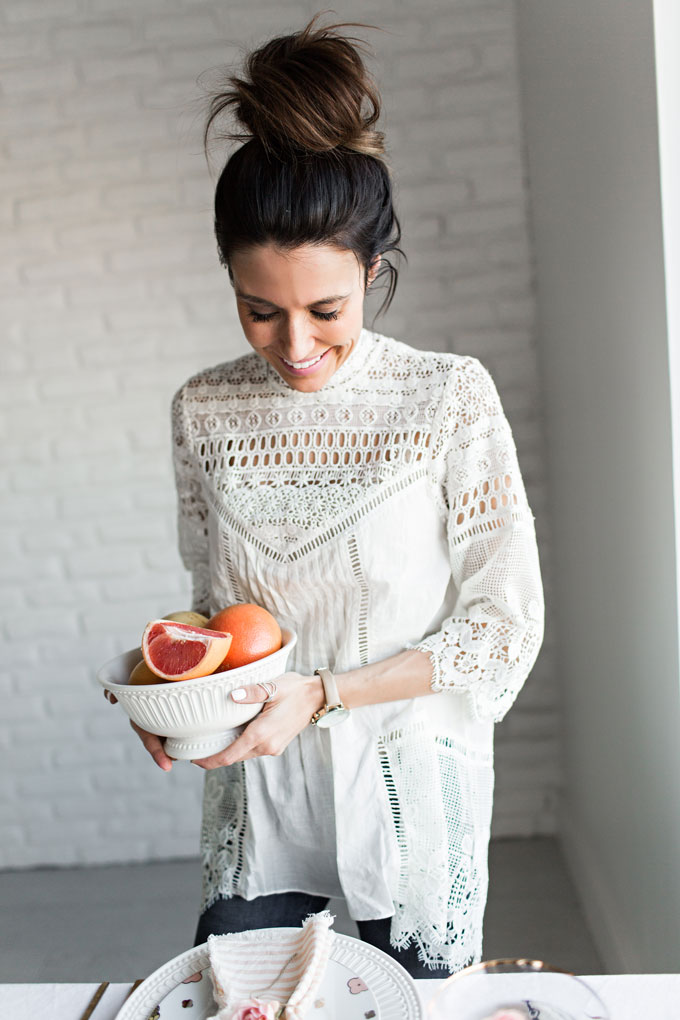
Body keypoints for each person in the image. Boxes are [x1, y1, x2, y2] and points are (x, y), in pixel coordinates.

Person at [126, 17, 545, 976]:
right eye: (259, 309)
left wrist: (323, 697)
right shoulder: (205, 409)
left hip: (407, 788)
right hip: (259, 789)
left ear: (374, 270)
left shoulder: (448, 399)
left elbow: (502, 626)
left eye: (327, 310)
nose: (297, 344)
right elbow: (214, 609)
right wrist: (169, 694)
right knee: (246, 999)